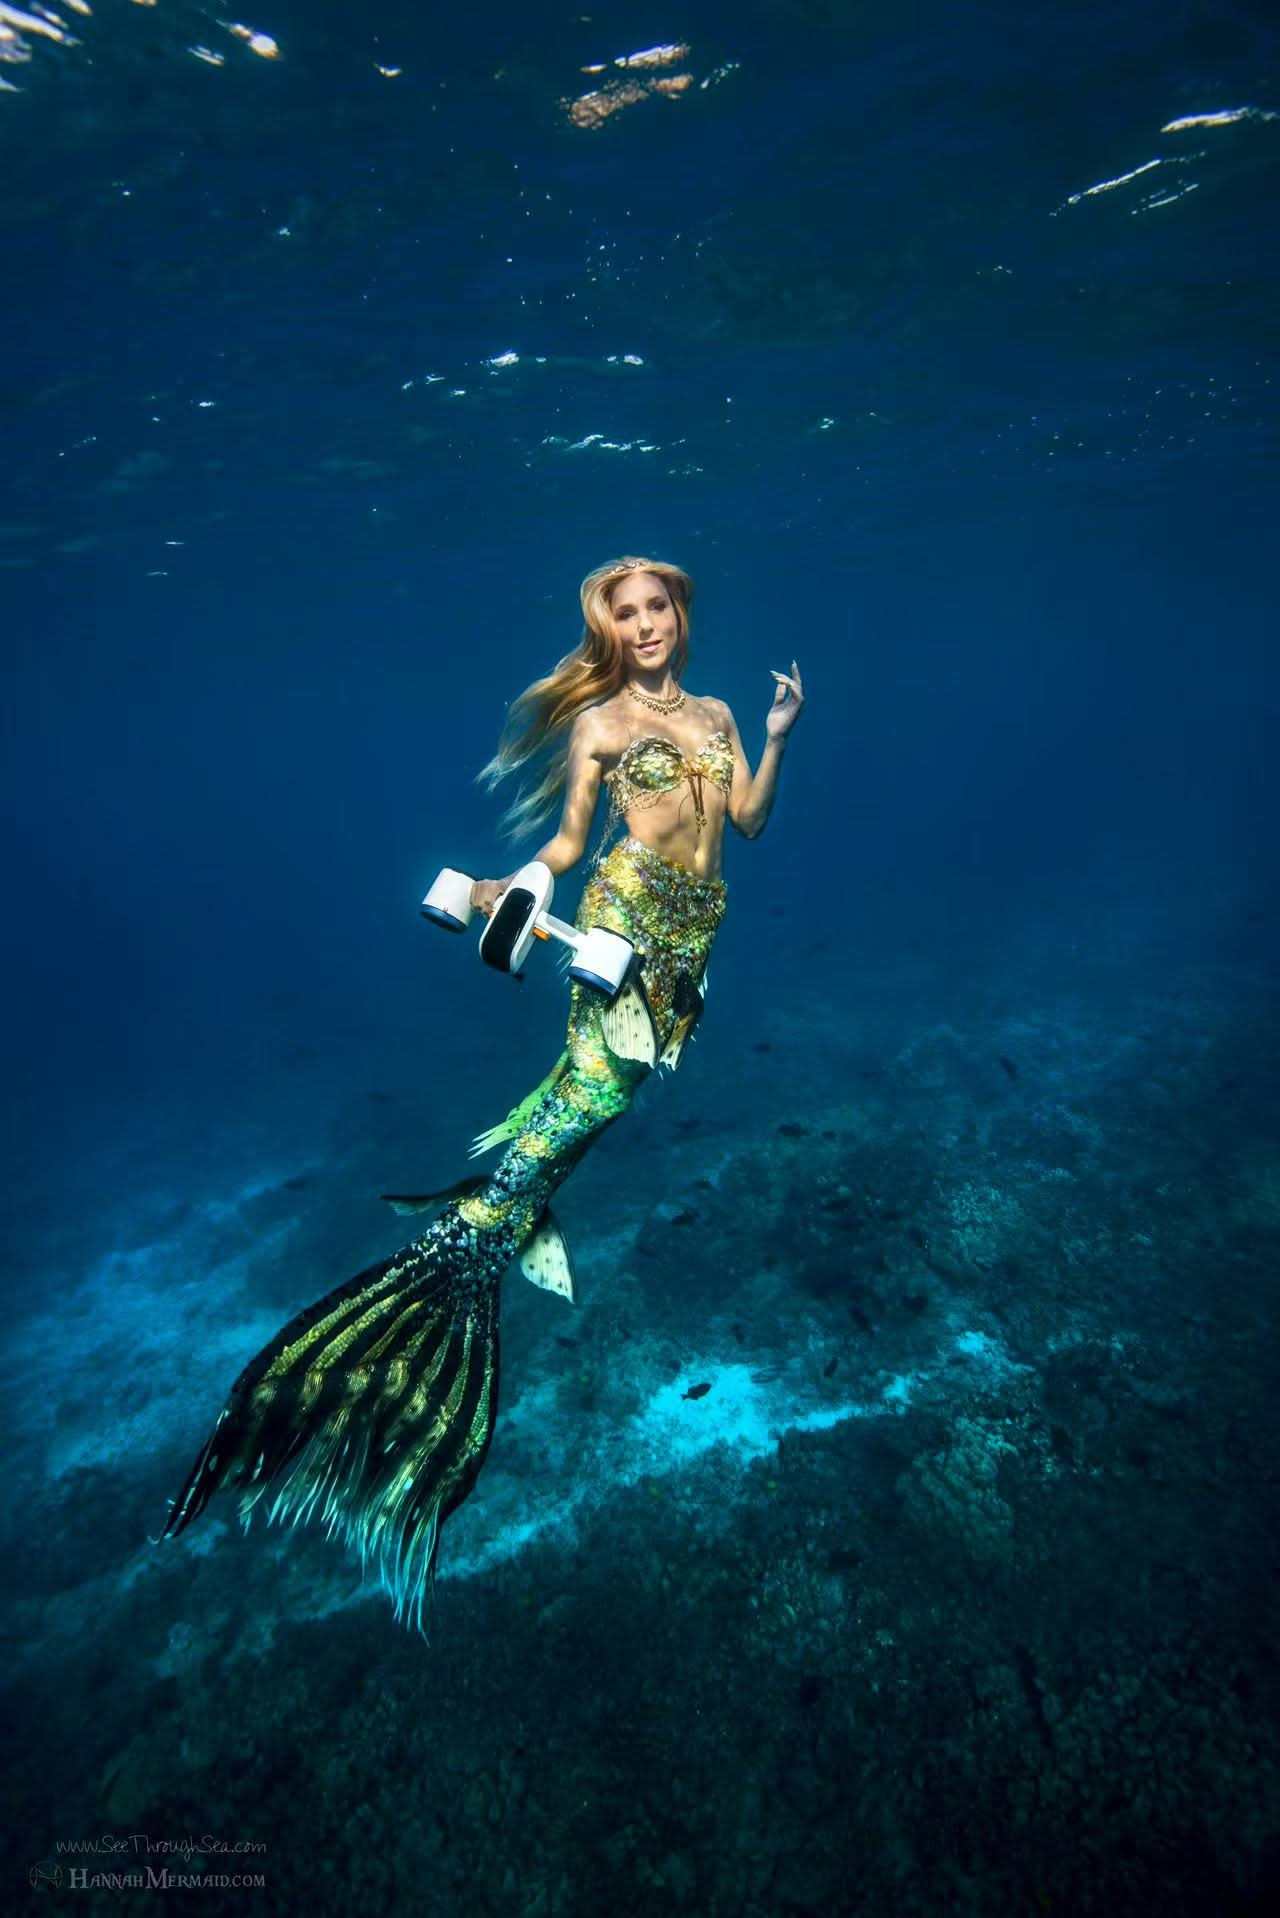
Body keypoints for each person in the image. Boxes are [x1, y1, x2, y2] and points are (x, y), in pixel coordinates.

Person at [162, 556, 804, 1630]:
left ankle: (493, 1223)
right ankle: (479, 1233)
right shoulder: (599, 722)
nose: (645, 624)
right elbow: (570, 840)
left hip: (688, 953)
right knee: (593, 1093)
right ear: (608, 629)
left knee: (598, 1106)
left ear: (681, 615)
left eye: (658, 607)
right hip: (622, 924)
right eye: (626, 613)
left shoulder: (723, 713)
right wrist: (532, 881)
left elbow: (746, 823)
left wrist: (779, 734)